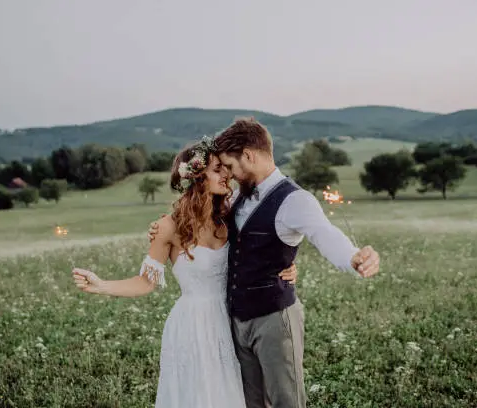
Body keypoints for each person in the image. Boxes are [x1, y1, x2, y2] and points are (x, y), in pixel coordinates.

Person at [149, 118, 380, 408]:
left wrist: (352, 257)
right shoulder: (235, 200)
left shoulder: (295, 200)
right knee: (249, 402)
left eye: (230, 167)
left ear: (248, 155)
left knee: (286, 399)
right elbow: (215, 230)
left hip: (274, 318)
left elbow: (324, 234)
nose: (229, 176)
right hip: (233, 320)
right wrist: (163, 229)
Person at [71, 137, 298, 408]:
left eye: (225, 167)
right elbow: (145, 283)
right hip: (193, 326)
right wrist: (101, 285)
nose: (227, 173)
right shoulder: (168, 227)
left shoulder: (229, 217)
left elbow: (259, 249)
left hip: (230, 319)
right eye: (217, 169)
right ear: (197, 177)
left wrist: (286, 267)